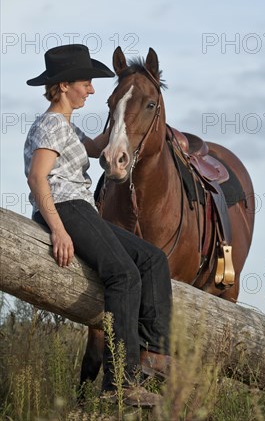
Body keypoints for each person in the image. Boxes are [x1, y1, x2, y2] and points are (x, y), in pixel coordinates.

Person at [24, 44, 172, 408]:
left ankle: (154, 355)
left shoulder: (67, 128)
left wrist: (127, 111)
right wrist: (58, 229)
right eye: (85, 82)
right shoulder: (50, 125)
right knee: (123, 275)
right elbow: (37, 178)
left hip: (81, 209)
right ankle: (118, 384)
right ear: (62, 87)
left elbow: (96, 147)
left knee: (153, 260)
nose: (91, 89)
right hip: (64, 208)